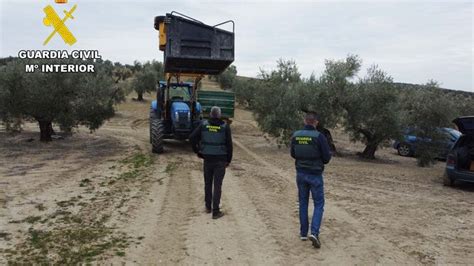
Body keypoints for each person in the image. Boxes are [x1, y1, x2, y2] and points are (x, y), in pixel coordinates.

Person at [290, 112, 331, 248]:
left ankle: (303, 233)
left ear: (304, 121)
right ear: (316, 122)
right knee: (319, 204)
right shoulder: (320, 136)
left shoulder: (296, 135)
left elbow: (293, 154)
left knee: (303, 202)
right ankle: (314, 232)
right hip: (315, 174)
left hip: (300, 173)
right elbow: (326, 158)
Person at [190, 106, 233, 219]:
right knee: (217, 185)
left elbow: (192, 137)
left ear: (210, 114)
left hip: (207, 159)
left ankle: (208, 207)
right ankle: (216, 212)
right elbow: (229, 145)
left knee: (208, 183)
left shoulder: (203, 125)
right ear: (219, 115)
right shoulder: (225, 127)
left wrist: (198, 152)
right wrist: (228, 160)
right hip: (221, 160)